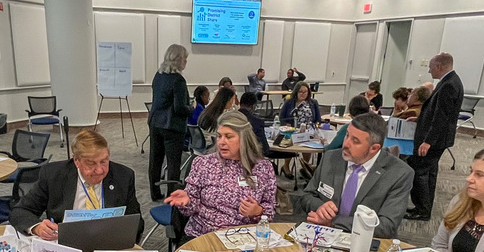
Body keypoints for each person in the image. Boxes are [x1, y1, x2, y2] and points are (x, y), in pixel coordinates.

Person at [10, 129, 142, 241]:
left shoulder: (123, 176)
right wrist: (37, 227)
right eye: (91, 164)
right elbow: (20, 211)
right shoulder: (53, 175)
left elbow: (137, 222)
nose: (100, 170)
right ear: (76, 161)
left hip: (109, 244)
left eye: (104, 161)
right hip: (66, 244)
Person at [297, 112, 415, 238]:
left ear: (374, 148)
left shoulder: (399, 174)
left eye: (355, 141)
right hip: (322, 238)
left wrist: (333, 222)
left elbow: (387, 226)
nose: (346, 144)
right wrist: (320, 208)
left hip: (365, 244)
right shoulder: (331, 158)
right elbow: (307, 196)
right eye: (347, 135)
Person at [165, 110, 277, 238]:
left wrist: (258, 211)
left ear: (244, 139)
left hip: (245, 237)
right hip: (204, 235)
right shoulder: (203, 163)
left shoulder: (263, 167)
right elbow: (190, 209)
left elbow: (270, 210)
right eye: (219, 136)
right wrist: (187, 202)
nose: (221, 142)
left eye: (228, 137)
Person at [404, 53, 464, 221]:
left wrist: (428, 141)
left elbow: (441, 116)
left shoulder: (448, 85)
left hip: (434, 140)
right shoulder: (451, 81)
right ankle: (424, 208)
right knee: (429, 174)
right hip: (439, 139)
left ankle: (421, 210)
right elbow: (436, 111)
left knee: (420, 172)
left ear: (439, 67)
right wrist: (420, 118)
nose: (429, 72)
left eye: (430, 68)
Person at [148, 43, 192, 201]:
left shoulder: (158, 76)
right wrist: (192, 108)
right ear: (178, 60)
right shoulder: (178, 80)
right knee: (173, 163)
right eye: (185, 59)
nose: (186, 62)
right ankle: (171, 195)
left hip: (155, 123)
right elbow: (179, 108)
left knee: (155, 160)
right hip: (172, 126)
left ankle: (154, 193)